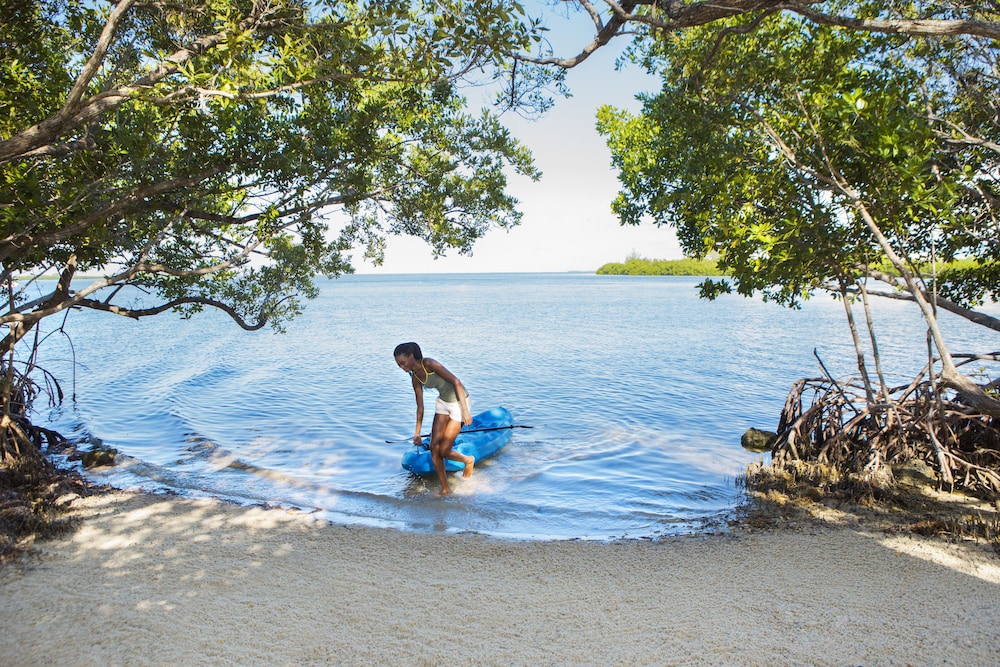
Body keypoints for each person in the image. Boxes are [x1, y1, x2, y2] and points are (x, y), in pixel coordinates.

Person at [393, 342, 474, 495]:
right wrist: (417, 432)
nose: (402, 367)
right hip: (443, 402)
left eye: (403, 363)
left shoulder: (429, 363)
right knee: (434, 448)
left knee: (443, 450)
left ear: (411, 356)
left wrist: (465, 411)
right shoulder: (415, 378)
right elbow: (420, 407)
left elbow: (456, 381)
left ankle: (468, 460)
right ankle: (445, 489)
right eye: (399, 365)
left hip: (459, 401)